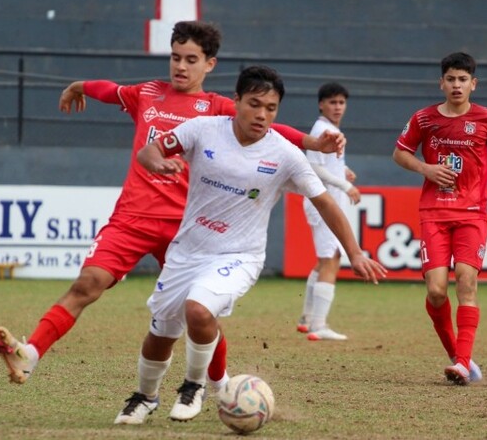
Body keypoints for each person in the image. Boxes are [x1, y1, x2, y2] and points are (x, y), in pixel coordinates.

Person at [0, 21, 344, 394]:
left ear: (209, 65)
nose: (180, 66)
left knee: (199, 314)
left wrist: (311, 142)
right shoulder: (147, 93)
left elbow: (270, 128)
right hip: (133, 217)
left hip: (186, 229)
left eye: (191, 59)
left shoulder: (218, 107)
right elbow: (111, 91)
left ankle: (219, 384)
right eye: (175, 57)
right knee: (87, 284)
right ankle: (29, 354)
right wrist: (78, 86)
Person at [114, 65, 387, 424]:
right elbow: (148, 151)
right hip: (188, 250)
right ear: (236, 101)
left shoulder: (285, 154)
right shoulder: (203, 129)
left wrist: (354, 253)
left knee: (198, 310)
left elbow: (326, 203)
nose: (261, 115)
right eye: (254, 104)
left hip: (238, 256)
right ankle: (145, 397)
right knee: (161, 332)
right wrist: (159, 163)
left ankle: (193, 385)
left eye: (271, 108)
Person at [392, 52, 487, 385]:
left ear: (473, 84)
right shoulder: (424, 119)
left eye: (463, 79)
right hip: (434, 213)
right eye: (450, 79)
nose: (456, 85)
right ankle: (457, 355)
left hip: (471, 213)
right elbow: (399, 153)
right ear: (441, 82)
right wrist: (425, 168)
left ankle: (463, 364)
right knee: (437, 291)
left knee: (466, 281)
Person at [297, 82, 361, 341]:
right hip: (323, 203)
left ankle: (306, 318)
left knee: (324, 259)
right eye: (332, 102)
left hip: (326, 202)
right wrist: (346, 185)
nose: (337, 107)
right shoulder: (322, 129)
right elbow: (312, 167)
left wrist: (342, 171)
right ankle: (318, 325)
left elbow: (325, 165)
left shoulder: (330, 129)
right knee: (331, 259)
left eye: (341, 102)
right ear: (321, 104)